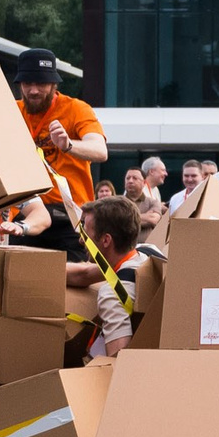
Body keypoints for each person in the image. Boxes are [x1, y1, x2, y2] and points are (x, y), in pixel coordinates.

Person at [13, 47, 106, 243]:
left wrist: (68, 145)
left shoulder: (76, 109)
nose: (34, 90)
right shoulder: (11, 110)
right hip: (27, 212)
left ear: (54, 84)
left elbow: (100, 151)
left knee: (73, 271)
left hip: (69, 214)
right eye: (28, 83)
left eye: (41, 83)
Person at [81, 194, 146, 357]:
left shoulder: (112, 295)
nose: (81, 240)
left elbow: (117, 360)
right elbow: (85, 273)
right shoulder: (146, 252)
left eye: (85, 234)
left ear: (105, 240)